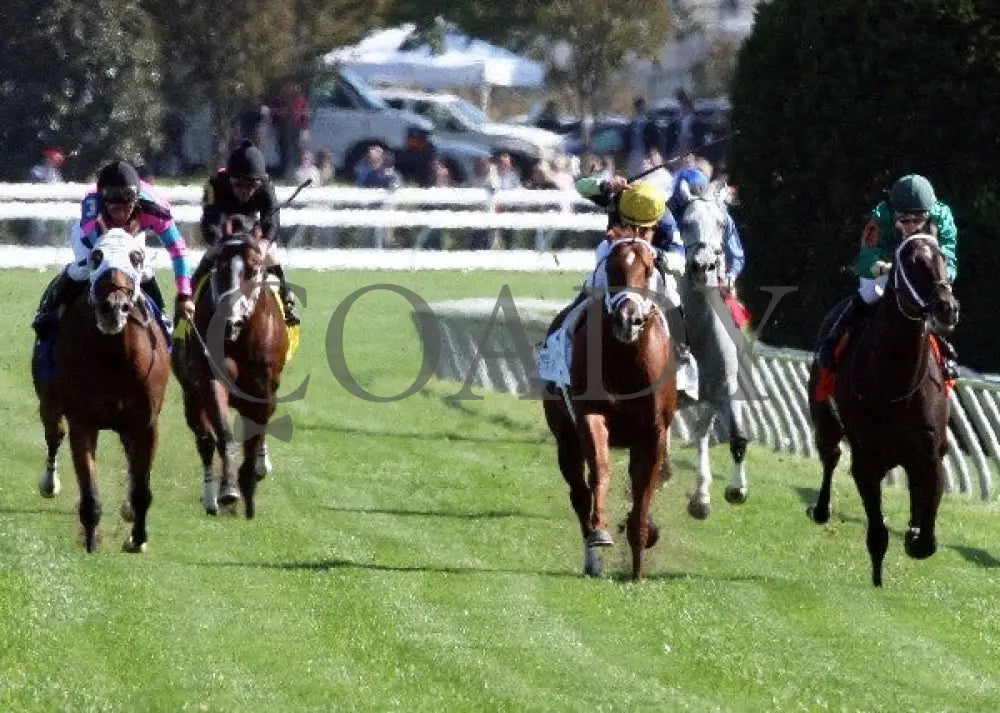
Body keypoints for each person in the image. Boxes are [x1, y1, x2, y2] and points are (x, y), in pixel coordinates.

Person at [32, 160, 194, 340]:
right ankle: (47, 310)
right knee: (81, 269)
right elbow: (99, 247)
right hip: (96, 236)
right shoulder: (92, 205)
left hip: (132, 233)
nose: (120, 213)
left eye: (126, 204)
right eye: (113, 205)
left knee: (145, 271)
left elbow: (178, 250)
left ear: (137, 199)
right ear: (103, 199)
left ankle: (161, 316)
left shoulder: (155, 209)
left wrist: (184, 295)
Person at [817, 174, 958, 376]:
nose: (911, 227)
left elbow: (950, 257)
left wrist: (943, 278)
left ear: (928, 213)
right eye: (904, 220)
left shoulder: (941, 216)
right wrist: (882, 267)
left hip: (926, 270)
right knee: (871, 292)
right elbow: (866, 258)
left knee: (939, 298)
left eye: (917, 220)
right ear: (894, 214)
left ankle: (946, 354)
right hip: (887, 266)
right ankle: (832, 338)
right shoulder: (882, 216)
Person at [197, 141, 300, 326]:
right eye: (239, 185)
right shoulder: (215, 185)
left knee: (273, 258)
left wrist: (265, 243)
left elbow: (272, 222)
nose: (245, 191)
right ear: (229, 179)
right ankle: (183, 316)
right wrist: (218, 241)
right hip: (225, 234)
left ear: (259, 182)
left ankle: (287, 302)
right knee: (203, 265)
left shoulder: (266, 186)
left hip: (254, 234)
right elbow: (208, 222)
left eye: (252, 185)